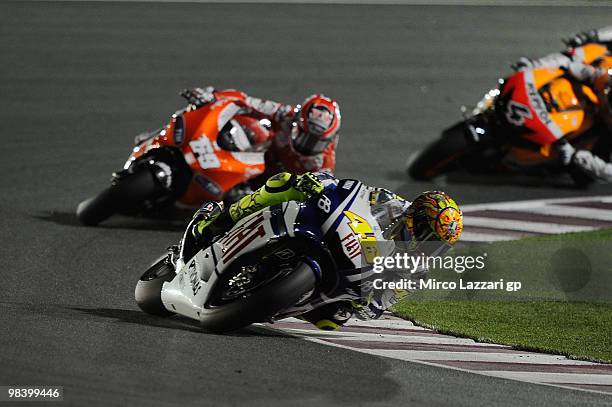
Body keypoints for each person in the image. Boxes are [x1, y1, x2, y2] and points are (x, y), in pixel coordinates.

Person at [181, 171, 463, 330]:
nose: (429, 246)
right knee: (286, 182)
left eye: (438, 244)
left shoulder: (417, 272)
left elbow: (383, 304)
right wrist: (321, 183)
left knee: (334, 321)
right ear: (416, 215)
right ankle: (221, 221)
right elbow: (353, 191)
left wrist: (367, 305)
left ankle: (274, 301)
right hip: (336, 234)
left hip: (349, 278)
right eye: (429, 234)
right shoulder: (391, 203)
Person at [513, 26, 612, 181]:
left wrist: (578, 157)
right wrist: (592, 36)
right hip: (594, 86)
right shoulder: (605, 66)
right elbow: (570, 58)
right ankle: (531, 70)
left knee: (582, 175)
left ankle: (549, 161)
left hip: (600, 131)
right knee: (580, 53)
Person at [180, 87, 341, 180]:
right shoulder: (286, 114)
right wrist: (212, 96)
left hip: (271, 188)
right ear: (296, 123)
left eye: (316, 142)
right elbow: (245, 100)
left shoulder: (323, 165)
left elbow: (325, 190)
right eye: (305, 136)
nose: (308, 145)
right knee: (252, 125)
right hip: (257, 156)